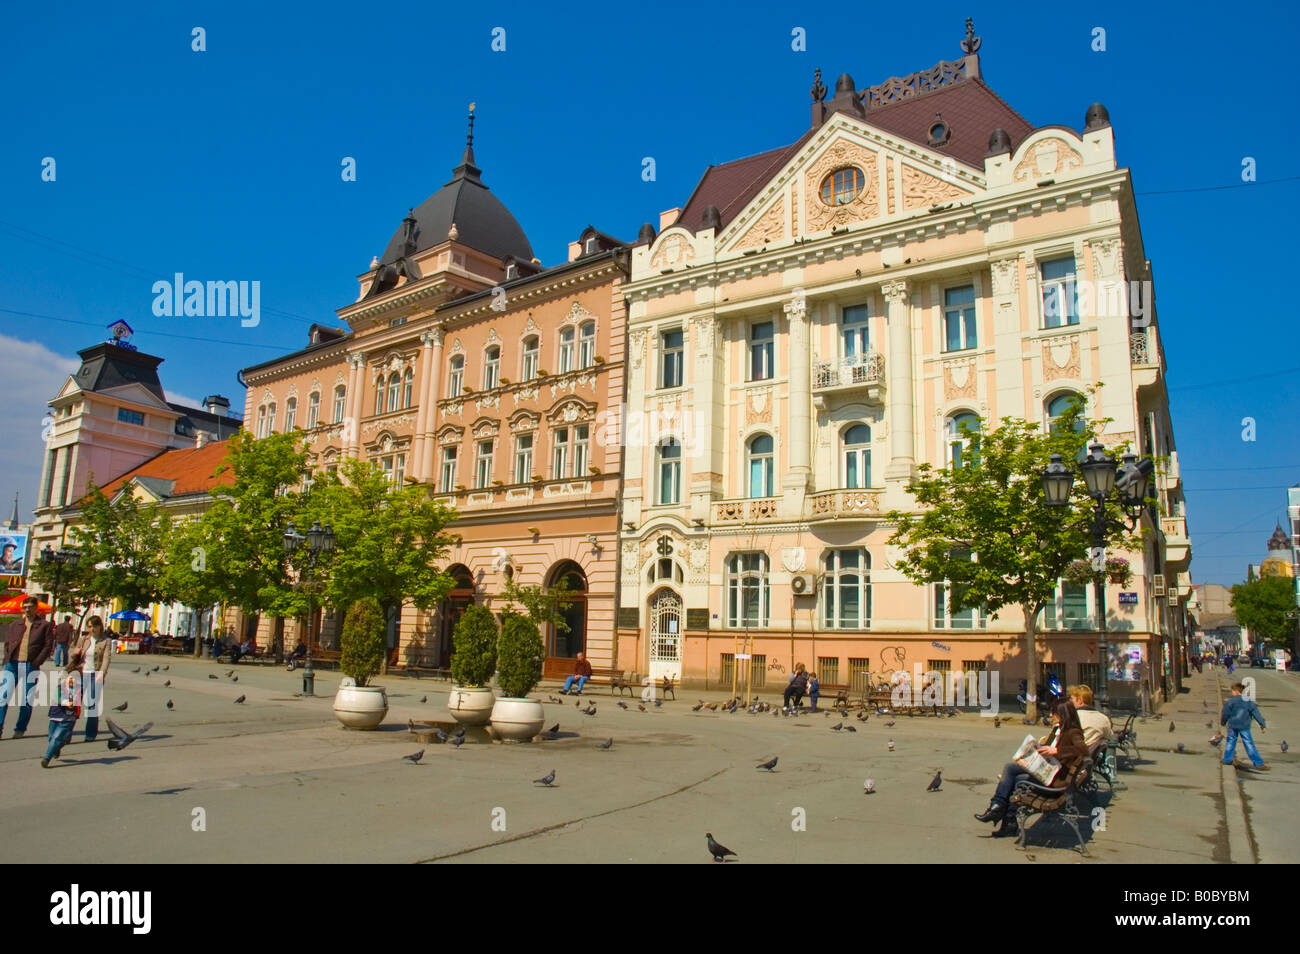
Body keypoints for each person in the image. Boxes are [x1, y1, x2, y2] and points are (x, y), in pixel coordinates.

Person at [975, 700, 1089, 838]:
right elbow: (1048, 749)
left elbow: (1083, 750)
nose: (1051, 715)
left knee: (1014, 777)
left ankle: (999, 811)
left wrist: (1056, 750)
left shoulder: (1073, 732)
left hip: (1056, 780)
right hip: (1048, 771)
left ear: (1063, 714)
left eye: (1054, 712)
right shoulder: (1058, 729)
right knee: (1012, 770)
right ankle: (999, 810)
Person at [1, 596, 55, 739]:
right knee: (3, 697)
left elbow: (48, 645)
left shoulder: (44, 625)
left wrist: (37, 662)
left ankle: (20, 729)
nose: (27, 610)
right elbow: (7, 644)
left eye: (30, 607)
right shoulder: (15, 624)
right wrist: (7, 658)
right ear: (22, 609)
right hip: (12, 664)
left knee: (26, 699)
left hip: (30, 665)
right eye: (25, 607)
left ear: (36, 608)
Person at [69, 616, 112, 744]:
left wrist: (102, 673)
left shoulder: (105, 641)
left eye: (94, 626)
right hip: (81, 674)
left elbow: (106, 658)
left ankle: (90, 734)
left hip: (95, 674)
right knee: (74, 704)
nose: (92, 629)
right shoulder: (83, 639)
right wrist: (75, 652)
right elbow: (74, 656)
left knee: (92, 704)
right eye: (89, 626)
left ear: (100, 626)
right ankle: (66, 732)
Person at [1220, 682, 1268, 770]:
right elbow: (1256, 713)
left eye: (1232, 691)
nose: (1232, 693)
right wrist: (1262, 725)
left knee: (1230, 741)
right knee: (1248, 743)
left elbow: (1225, 713)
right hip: (1244, 726)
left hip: (1233, 725)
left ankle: (1227, 759)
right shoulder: (1249, 702)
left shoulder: (1231, 702)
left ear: (1237, 691)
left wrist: (1223, 722)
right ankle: (1258, 763)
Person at [41, 670, 79, 768]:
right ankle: (55, 748)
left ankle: (46, 758)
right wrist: (67, 703)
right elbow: (56, 698)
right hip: (55, 715)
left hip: (67, 717)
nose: (72, 681)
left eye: (75, 680)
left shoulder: (76, 690)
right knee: (51, 737)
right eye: (70, 679)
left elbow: (75, 701)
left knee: (56, 737)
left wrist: (73, 705)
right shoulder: (60, 687)